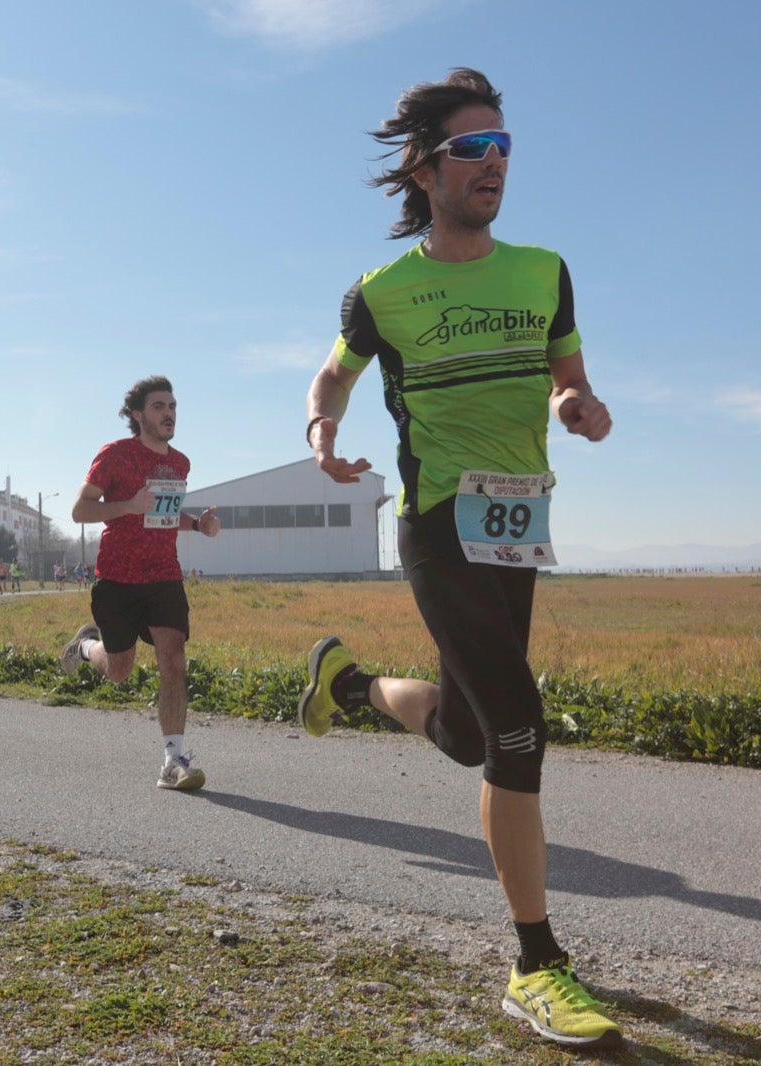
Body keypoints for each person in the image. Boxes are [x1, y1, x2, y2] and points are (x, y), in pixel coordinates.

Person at [297, 69, 620, 1049]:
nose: (493, 164)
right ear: (425, 168)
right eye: (472, 150)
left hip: (517, 525)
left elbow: (567, 373)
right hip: (437, 524)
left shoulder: (544, 270)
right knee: (519, 727)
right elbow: (333, 371)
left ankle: (348, 684)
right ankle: (535, 963)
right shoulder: (382, 292)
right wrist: (320, 429)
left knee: (469, 736)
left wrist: (576, 406)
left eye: (503, 147)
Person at [59, 375, 220, 791]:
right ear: (137, 415)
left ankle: (174, 759)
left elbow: (164, 516)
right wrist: (127, 505)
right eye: (158, 407)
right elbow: (79, 510)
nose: (168, 414)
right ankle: (84, 645)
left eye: (172, 407)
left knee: (174, 662)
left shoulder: (179, 463)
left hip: (164, 576)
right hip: (117, 579)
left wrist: (197, 525)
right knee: (119, 671)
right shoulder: (114, 455)